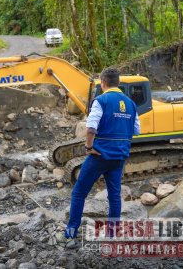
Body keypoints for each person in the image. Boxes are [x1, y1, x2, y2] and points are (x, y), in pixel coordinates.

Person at [64, 67, 140, 248]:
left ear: (103, 83)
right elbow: (136, 130)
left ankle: (71, 233)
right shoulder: (131, 103)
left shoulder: (101, 100)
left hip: (99, 156)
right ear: (118, 83)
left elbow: (91, 128)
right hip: (119, 157)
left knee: (79, 192)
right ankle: (112, 233)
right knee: (114, 196)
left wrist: (89, 147)